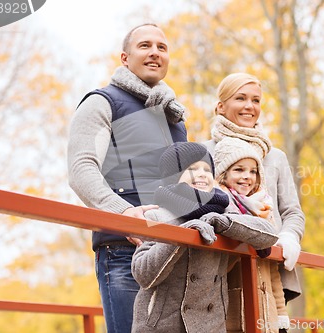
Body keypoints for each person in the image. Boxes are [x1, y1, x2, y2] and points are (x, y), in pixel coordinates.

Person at [67, 23, 187, 333]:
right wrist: (123, 213)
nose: (155, 52)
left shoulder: (176, 119)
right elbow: (81, 169)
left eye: (162, 47)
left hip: (173, 250)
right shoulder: (101, 102)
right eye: (145, 45)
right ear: (124, 57)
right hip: (124, 250)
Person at [131, 142, 279, 333]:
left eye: (207, 169)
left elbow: (268, 235)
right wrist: (183, 234)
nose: (201, 174)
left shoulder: (224, 212)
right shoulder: (156, 216)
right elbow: (143, 274)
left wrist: (221, 222)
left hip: (211, 325)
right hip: (162, 325)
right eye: (192, 168)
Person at [202, 73, 306, 303]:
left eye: (256, 100)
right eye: (240, 98)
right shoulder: (203, 152)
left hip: (269, 270)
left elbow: (292, 212)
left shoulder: (275, 157)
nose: (249, 106)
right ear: (221, 106)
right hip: (220, 268)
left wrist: (288, 237)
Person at [214, 137, 290, 333]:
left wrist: (281, 314)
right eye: (239, 170)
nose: (247, 176)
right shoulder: (221, 210)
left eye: (253, 171)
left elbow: (272, 270)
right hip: (235, 310)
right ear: (223, 174)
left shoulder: (264, 212)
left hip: (267, 311)